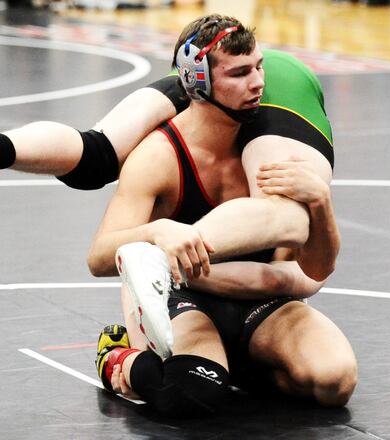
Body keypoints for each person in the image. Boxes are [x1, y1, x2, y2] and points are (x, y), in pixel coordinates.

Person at [0, 21, 334, 282]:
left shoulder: (207, 72)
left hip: (210, 58)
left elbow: (300, 279)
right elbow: (306, 269)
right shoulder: (263, 84)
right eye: (247, 74)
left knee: (97, 152)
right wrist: (164, 247)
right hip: (280, 88)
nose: (258, 81)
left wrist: (165, 253)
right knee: (283, 211)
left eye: (256, 72)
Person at [88, 16, 356, 418]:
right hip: (186, 298)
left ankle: (242, 365)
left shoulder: (272, 152)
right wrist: (158, 231)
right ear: (198, 82)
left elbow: (317, 268)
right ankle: (117, 357)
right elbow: (98, 258)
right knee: (192, 393)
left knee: (334, 383)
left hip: (263, 303)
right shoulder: (160, 156)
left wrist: (321, 203)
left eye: (260, 66)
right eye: (240, 73)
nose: (259, 83)